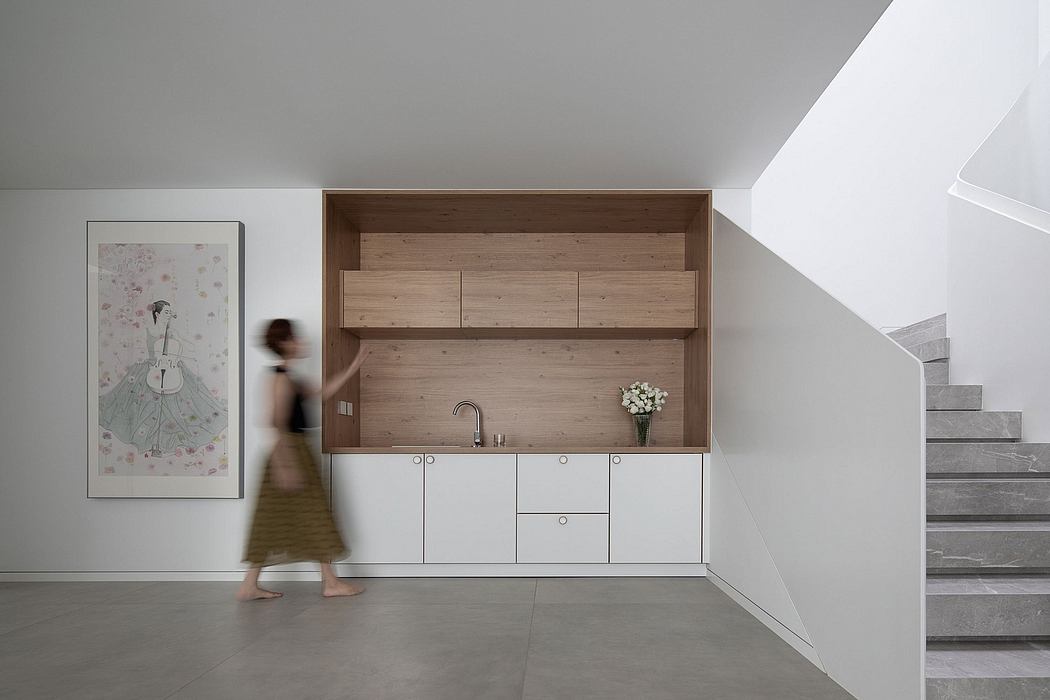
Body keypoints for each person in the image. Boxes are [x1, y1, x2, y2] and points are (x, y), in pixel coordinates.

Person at [238, 319, 369, 601]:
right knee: (315, 515)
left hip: (292, 452)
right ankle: (331, 583)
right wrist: (285, 465)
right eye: (295, 337)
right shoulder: (281, 378)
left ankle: (250, 585)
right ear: (284, 342)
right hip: (289, 452)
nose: (301, 342)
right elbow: (275, 422)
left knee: (274, 519)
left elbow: (323, 394)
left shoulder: (289, 376)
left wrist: (354, 366)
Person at [99, 300, 227, 457]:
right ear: (157, 314)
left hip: (172, 369)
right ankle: (150, 441)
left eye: (170, 312)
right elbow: (138, 350)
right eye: (166, 312)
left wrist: (181, 342)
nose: (169, 315)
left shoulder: (173, 332)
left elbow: (191, 348)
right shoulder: (147, 330)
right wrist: (141, 355)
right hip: (151, 369)